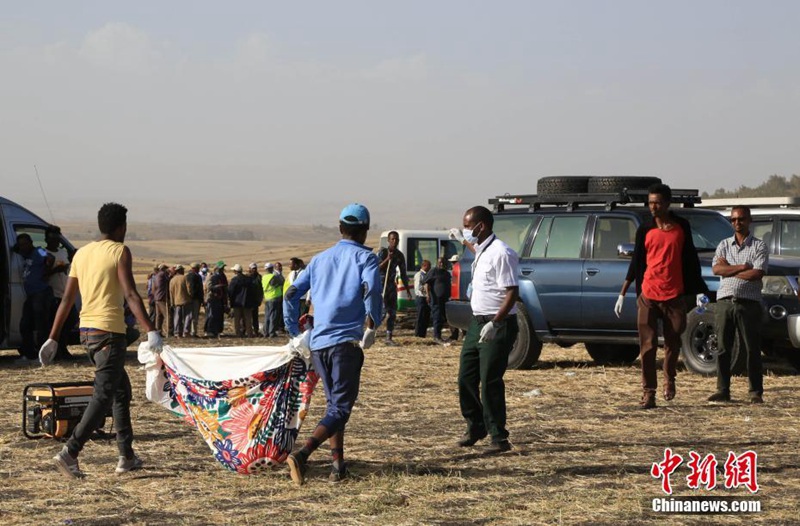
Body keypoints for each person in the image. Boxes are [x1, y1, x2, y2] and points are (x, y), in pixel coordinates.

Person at [39, 202, 163, 479]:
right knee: (104, 394)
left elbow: (68, 299)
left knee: (120, 392)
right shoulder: (119, 251)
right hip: (109, 333)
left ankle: (126, 456)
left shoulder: (82, 254)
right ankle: (70, 452)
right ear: (122, 227)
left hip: (87, 333)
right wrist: (151, 329)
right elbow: (130, 294)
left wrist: (53, 338)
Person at [284, 203, 382, 485]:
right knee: (340, 409)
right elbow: (371, 289)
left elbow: (291, 293)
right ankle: (302, 455)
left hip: (318, 344)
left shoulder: (319, 260)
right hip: (345, 345)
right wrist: (372, 325)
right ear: (365, 231)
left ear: (340, 229)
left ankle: (338, 467)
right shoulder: (366, 258)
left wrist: (294, 329)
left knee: (333, 406)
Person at [616, 183, 708, 409]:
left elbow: (690, 260)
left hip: (674, 294)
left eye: (657, 202)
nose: (653, 207)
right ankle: (649, 393)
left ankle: (670, 378)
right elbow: (636, 262)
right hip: (648, 293)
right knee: (646, 346)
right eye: (650, 203)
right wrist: (623, 292)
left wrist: (698, 290)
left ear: (667, 203)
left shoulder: (681, 227)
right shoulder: (645, 230)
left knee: (673, 341)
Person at [456, 206, 519, 453]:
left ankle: (498, 437)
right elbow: (475, 249)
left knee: (490, 379)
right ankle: (476, 425)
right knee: (466, 376)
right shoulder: (482, 250)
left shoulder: (502, 253)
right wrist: (461, 240)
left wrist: (496, 322)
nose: (466, 230)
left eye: (468, 226)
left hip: (497, 323)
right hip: (477, 323)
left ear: (481, 226)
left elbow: (512, 292)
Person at [708, 205, 768, 404]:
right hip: (725, 302)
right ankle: (723, 390)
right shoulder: (724, 245)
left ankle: (755, 392)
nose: (736, 223)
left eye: (740, 219)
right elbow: (717, 269)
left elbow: (757, 273)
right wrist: (742, 267)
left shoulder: (759, 246)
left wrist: (729, 269)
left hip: (749, 303)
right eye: (733, 220)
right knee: (724, 348)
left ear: (749, 220)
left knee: (752, 349)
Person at [13, 233, 55, 364]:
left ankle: (42, 357)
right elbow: (14, 249)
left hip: (41, 293)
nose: (23, 247)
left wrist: (46, 270)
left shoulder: (39, 250)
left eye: (25, 243)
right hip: (31, 295)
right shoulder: (25, 254)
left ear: (31, 242)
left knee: (40, 325)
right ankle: (29, 355)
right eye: (21, 245)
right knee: (25, 325)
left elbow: (50, 257)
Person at [45, 225, 78, 361]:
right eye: (52, 238)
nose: (55, 241)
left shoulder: (63, 253)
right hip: (53, 294)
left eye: (57, 238)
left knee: (70, 321)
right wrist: (55, 269)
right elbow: (43, 274)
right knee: (57, 323)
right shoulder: (43, 253)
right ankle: (57, 351)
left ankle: (62, 348)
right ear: (46, 239)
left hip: (65, 294)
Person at [377, 231, 412, 345]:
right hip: (380, 285)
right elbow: (376, 268)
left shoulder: (399, 255)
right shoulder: (382, 252)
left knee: (392, 312)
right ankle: (370, 334)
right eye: (392, 239)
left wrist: (407, 290)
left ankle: (389, 337)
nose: (394, 241)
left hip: (391, 286)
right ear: (388, 240)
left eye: (396, 239)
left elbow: (403, 273)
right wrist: (387, 259)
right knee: (380, 312)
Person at [425, 257, 452, 344]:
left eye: (443, 262)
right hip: (436, 299)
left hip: (445, 299)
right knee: (437, 317)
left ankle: (451, 336)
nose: (442, 264)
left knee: (444, 318)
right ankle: (436, 337)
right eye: (440, 262)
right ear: (437, 263)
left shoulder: (447, 273)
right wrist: (428, 295)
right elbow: (426, 283)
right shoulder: (433, 271)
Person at [228, 264, 253, 337]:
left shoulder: (234, 280)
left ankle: (238, 333)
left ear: (235, 271)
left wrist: (231, 301)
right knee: (248, 319)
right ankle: (249, 333)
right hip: (247, 302)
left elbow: (230, 291)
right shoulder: (248, 279)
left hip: (237, 302)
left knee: (237, 319)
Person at [204, 261, 227, 338]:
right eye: (221, 268)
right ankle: (209, 330)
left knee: (219, 315)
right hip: (212, 298)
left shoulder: (223, 276)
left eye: (223, 268)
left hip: (220, 298)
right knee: (211, 315)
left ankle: (217, 330)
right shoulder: (211, 276)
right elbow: (208, 287)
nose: (222, 269)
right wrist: (217, 287)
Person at [262, 262, 284, 338]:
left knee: (267, 316)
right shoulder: (273, 277)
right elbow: (281, 283)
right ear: (271, 268)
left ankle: (265, 332)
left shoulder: (264, 277)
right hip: (274, 298)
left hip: (267, 298)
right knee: (273, 316)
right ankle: (272, 332)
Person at [168, 264, 191, 338]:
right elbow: (189, 290)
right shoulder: (185, 278)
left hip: (176, 302)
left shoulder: (172, 280)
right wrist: (190, 297)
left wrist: (172, 303)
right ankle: (186, 332)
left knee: (177, 317)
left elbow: (171, 293)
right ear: (181, 270)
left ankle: (177, 332)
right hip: (186, 300)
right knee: (187, 317)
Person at [185, 263, 204, 337]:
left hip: (190, 298)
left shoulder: (188, 276)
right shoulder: (195, 276)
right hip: (195, 298)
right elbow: (194, 288)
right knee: (194, 316)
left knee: (189, 315)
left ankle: (188, 331)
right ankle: (193, 332)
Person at [413, 260, 431, 338]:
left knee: (426, 316)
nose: (430, 267)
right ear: (424, 266)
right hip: (421, 297)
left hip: (426, 298)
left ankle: (423, 333)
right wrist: (426, 289)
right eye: (428, 266)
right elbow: (418, 287)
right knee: (420, 316)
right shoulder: (419, 275)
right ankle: (418, 333)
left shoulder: (427, 275)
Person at [247, 263, 264, 336]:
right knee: (247, 316)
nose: (254, 270)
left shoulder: (259, 277)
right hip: (248, 300)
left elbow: (261, 289)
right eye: (253, 268)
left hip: (256, 300)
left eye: (255, 268)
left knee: (255, 317)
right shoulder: (246, 277)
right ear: (250, 269)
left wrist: (260, 299)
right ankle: (247, 330)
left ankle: (256, 330)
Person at [152, 263, 169, 334]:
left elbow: (153, 288)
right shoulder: (163, 275)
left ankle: (158, 331)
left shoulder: (155, 276)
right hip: (162, 297)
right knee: (167, 315)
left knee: (159, 316)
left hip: (157, 297)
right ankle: (168, 331)